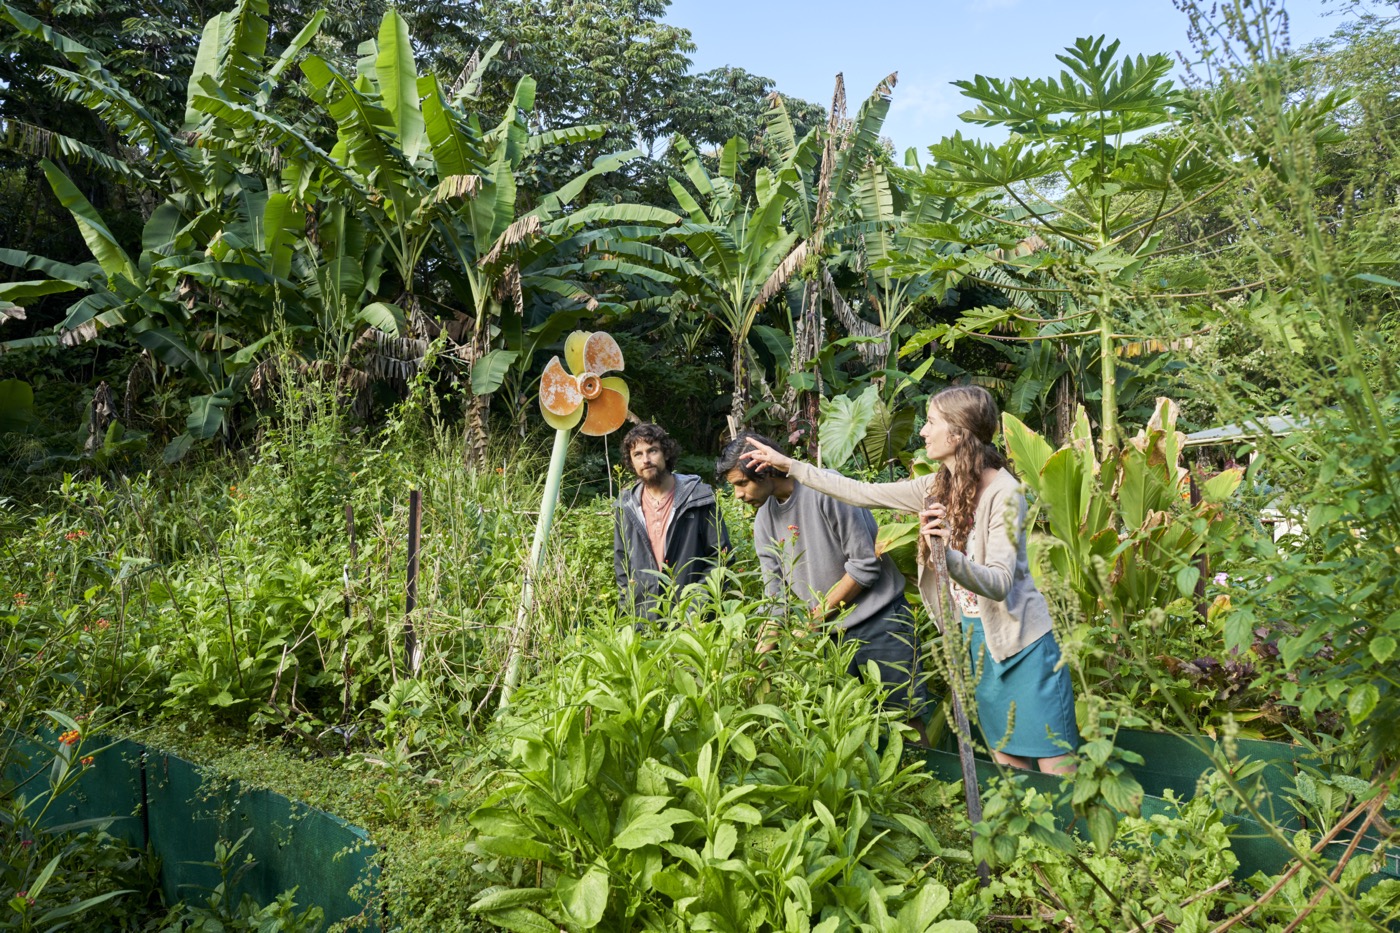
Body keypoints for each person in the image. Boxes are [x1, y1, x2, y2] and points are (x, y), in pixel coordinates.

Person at [740, 386, 1078, 774]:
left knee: (1055, 757)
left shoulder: (1005, 493)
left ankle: (1076, 833)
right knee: (1007, 756)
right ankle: (1029, 833)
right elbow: (861, 492)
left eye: (931, 422)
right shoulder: (938, 486)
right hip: (975, 637)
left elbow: (1000, 582)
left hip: (1020, 641)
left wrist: (945, 554)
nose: (922, 432)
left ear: (958, 433)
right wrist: (791, 465)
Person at [716, 432, 929, 727]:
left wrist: (810, 622)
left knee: (906, 720)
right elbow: (775, 596)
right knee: (852, 729)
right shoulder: (764, 520)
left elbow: (865, 565)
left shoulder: (825, 488)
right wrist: (758, 663)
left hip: (879, 622)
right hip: (829, 637)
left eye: (742, 483)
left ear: (764, 469)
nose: (738, 494)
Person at [614, 423, 729, 621]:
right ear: (631, 462)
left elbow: (720, 559)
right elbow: (622, 566)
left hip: (694, 621)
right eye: (638, 454)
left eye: (653, 451)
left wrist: (696, 606)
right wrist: (631, 614)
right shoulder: (626, 506)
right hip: (645, 621)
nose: (646, 460)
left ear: (666, 453)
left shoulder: (698, 498)